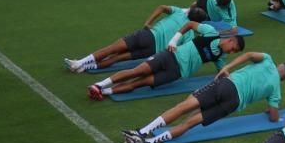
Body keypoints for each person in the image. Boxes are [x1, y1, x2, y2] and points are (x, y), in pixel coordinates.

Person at [121, 51, 285, 143]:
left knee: (184, 107)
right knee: (190, 123)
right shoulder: (276, 88)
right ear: (284, 79)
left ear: (280, 66)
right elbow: (273, 117)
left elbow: (248, 55)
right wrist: (272, 112)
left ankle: (143, 132)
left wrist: (227, 67)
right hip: (232, 103)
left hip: (227, 84)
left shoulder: (268, 59)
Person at [87, 18, 245, 100]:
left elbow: (221, 71)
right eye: (233, 49)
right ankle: (99, 85)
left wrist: (231, 79)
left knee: (140, 83)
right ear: (230, 40)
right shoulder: (211, 32)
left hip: (176, 73)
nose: (231, 52)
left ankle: (103, 92)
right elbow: (189, 24)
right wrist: (174, 40)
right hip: (170, 56)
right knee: (136, 71)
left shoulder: (220, 56)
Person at [63, 4, 206, 73]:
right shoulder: (190, 34)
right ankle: (84, 68)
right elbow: (181, 51)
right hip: (152, 50)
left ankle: (79, 63)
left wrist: (148, 22)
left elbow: (161, 7)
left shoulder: (180, 13)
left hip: (147, 36)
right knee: (117, 58)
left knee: (111, 49)